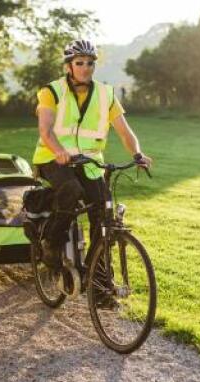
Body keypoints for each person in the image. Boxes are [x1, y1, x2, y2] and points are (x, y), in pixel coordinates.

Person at [32, 39, 153, 273]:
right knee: (72, 190)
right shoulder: (52, 92)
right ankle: (51, 243)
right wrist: (59, 151)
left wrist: (137, 154)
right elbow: (45, 131)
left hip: (89, 162)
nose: (86, 67)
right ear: (69, 66)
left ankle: (96, 278)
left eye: (90, 63)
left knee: (104, 210)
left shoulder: (106, 95)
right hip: (53, 158)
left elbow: (125, 132)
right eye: (80, 63)